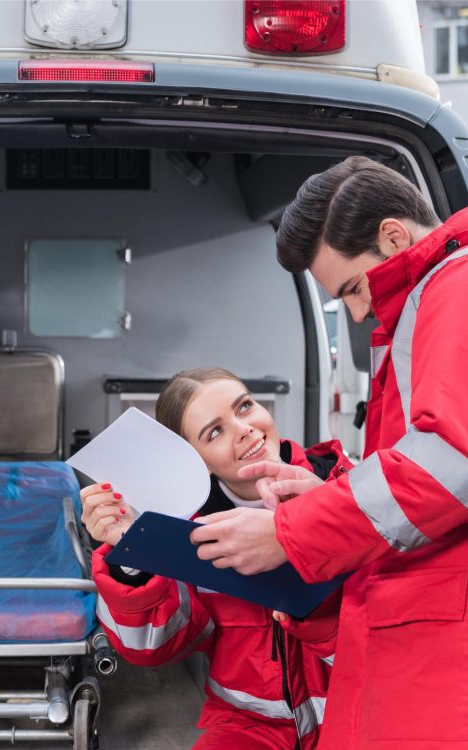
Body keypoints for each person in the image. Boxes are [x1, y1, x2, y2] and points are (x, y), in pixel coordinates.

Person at [190, 156, 468, 749]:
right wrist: (327, 497)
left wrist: (292, 531)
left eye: (351, 287)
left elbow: (449, 464)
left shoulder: (455, 289)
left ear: (394, 235)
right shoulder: (426, 307)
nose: (360, 311)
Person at [81, 367, 351, 750]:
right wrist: (132, 552)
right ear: (195, 462)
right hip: (251, 727)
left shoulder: (349, 488)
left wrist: (318, 531)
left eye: (244, 406)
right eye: (215, 432)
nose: (243, 428)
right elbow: (153, 647)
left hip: (358, 713)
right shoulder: (190, 533)